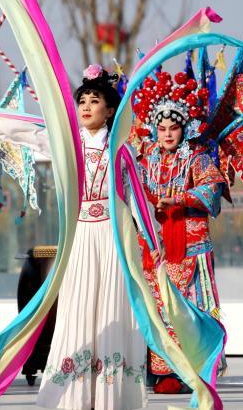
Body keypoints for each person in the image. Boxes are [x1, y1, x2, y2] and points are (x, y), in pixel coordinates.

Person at [37, 65, 147, 410]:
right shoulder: (69, 148)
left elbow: (137, 198)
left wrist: (149, 243)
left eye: (94, 100)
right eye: (81, 101)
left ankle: (112, 396)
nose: (85, 107)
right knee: (78, 307)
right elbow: (30, 135)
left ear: (110, 109)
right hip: (82, 234)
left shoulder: (121, 150)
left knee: (113, 308)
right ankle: (70, 395)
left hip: (114, 235)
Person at [132, 70, 226, 394]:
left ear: (184, 128)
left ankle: (195, 368)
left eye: (173, 128)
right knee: (159, 306)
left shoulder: (197, 159)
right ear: (154, 130)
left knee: (191, 307)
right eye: (162, 128)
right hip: (157, 246)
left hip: (191, 246)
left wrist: (180, 199)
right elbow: (134, 192)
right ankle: (162, 370)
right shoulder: (146, 162)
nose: (168, 134)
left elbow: (212, 190)